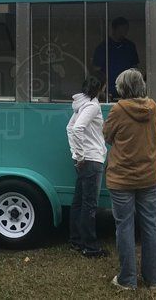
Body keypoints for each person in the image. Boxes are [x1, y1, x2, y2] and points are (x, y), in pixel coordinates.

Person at [103, 69, 156, 290]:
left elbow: (107, 136)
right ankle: (154, 279)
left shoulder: (118, 109)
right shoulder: (154, 107)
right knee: (151, 225)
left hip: (122, 178)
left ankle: (127, 280)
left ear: (123, 88)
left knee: (125, 227)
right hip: (150, 175)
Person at [67, 75, 108, 258]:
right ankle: (90, 247)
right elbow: (76, 129)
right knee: (89, 205)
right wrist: (81, 155)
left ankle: (76, 240)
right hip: (92, 160)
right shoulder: (92, 105)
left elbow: (70, 128)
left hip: (84, 160)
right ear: (100, 89)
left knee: (79, 202)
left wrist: (76, 155)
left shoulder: (81, 105)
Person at [92, 17, 139, 99]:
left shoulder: (130, 46)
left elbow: (135, 68)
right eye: (121, 30)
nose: (124, 33)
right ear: (114, 29)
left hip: (127, 90)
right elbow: (96, 71)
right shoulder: (104, 47)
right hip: (108, 91)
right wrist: (100, 90)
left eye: (126, 30)